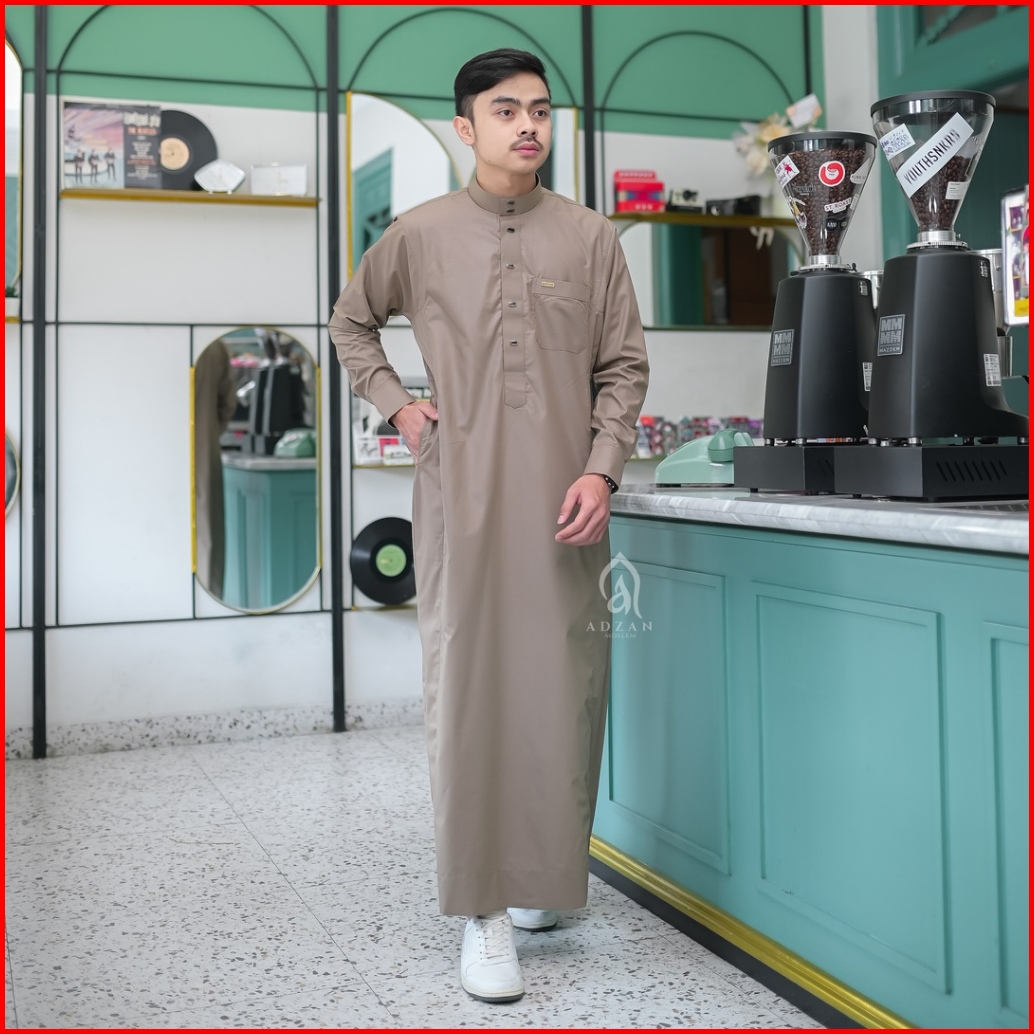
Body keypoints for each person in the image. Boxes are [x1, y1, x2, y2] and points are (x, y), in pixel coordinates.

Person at [329, 48, 649, 1004]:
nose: (528, 125)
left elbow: (623, 368)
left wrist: (602, 467)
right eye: (506, 111)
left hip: (567, 507)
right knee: (471, 692)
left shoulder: (591, 237)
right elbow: (351, 322)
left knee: (564, 690)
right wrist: (400, 407)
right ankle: (484, 912)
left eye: (540, 110)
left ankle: (543, 879)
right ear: (466, 129)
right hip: (461, 501)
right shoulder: (421, 235)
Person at [193, 338, 238, 599]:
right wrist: (208, 432)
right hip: (201, 450)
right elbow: (227, 403)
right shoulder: (214, 346)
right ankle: (207, 600)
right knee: (205, 531)